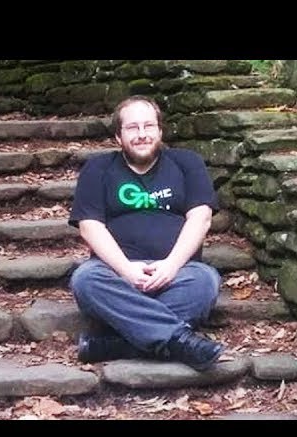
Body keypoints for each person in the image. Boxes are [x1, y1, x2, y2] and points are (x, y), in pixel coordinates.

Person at [68, 95, 224, 371]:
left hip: (178, 273)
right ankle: (177, 339)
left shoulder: (187, 162)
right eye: (132, 127)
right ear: (118, 137)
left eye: (148, 126)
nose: (142, 134)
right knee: (85, 279)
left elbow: (201, 219)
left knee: (205, 282)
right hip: (115, 275)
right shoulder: (97, 168)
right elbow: (90, 226)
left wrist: (171, 266)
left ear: (160, 131)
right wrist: (127, 270)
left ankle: (117, 344)